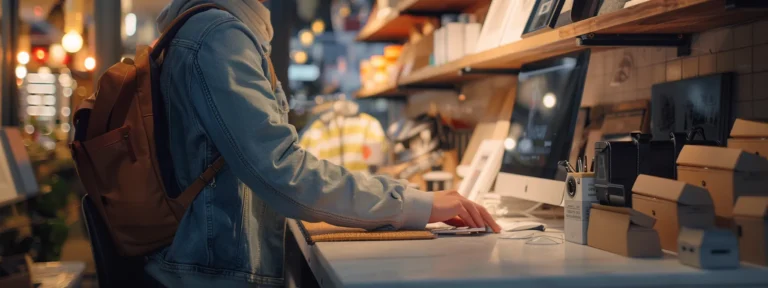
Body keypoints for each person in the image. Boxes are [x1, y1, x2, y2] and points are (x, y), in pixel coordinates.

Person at [147, 0, 501, 287]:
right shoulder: (219, 36)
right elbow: (283, 170)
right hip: (210, 276)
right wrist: (411, 203)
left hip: (201, 268)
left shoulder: (211, 29)